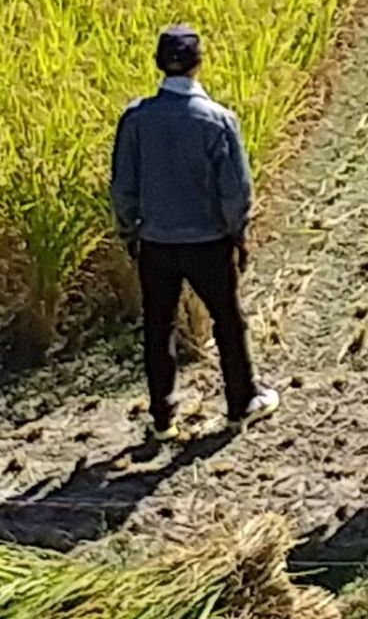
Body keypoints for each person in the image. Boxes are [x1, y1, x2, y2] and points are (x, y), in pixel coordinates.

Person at [110, 24, 279, 441]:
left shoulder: (136, 119)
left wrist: (129, 230)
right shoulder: (217, 120)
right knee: (228, 320)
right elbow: (236, 190)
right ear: (198, 63)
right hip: (208, 243)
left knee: (158, 325)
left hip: (156, 242)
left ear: (158, 63)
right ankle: (242, 403)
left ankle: (163, 416)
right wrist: (236, 232)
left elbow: (122, 186)